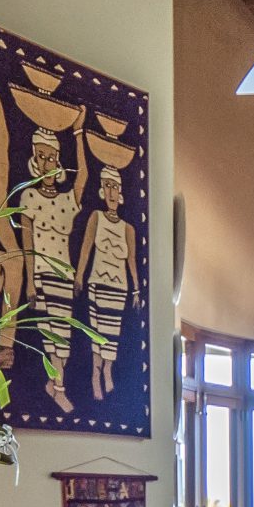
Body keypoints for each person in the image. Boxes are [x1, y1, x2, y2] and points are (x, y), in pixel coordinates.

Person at [13, 123, 83, 410]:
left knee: (63, 335)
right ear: (34, 159)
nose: (46, 163)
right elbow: (27, 242)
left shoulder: (67, 199)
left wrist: (79, 135)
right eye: (40, 157)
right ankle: (59, 388)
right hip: (42, 272)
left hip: (63, 273)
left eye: (51, 157)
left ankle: (54, 382)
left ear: (58, 160)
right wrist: (30, 281)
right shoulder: (28, 197)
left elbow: (84, 179)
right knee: (52, 334)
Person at [75, 164, 139, 403]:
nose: (112, 192)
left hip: (119, 287)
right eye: (108, 186)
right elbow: (86, 247)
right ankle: (95, 374)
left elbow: (131, 259)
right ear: (102, 190)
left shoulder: (128, 229)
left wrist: (136, 290)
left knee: (113, 333)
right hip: (97, 282)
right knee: (97, 333)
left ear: (121, 192)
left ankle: (108, 373)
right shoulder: (96, 217)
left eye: (115, 187)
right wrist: (79, 276)